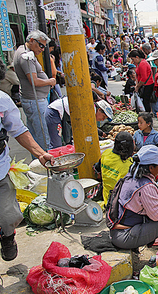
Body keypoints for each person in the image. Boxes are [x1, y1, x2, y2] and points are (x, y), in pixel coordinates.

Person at [0, 61, 54, 261]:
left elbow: (19, 130)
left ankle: (7, 236)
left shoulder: (2, 101)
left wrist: (40, 153)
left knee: (9, 216)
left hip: (0, 171)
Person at [110, 145, 158, 250]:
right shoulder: (145, 186)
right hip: (124, 236)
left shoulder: (132, 177)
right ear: (151, 167)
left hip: (119, 231)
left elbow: (154, 193)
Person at [13, 30, 55, 151]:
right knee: (42, 135)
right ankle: (45, 161)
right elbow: (34, 81)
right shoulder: (26, 57)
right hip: (35, 101)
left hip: (32, 100)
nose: (42, 49)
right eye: (40, 45)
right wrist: (50, 81)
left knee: (36, 134)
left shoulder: (23, 51)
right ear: (31, 41)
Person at [45, 97, 113, 149]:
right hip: (54, 112)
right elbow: (86, 129)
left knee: (68, 141)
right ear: (99, 110)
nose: (103, 119)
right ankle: (53, 163)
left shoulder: (92, 110)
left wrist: (101, 133)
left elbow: (88, 127)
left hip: (64, 115)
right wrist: (103, 139)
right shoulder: (88, 111)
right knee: (56, 144)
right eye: (103, 116)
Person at [98, 132, 134, 205]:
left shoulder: (105, 153)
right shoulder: (130, 164)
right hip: (121, 204)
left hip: (107, 200)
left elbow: (98, 168)